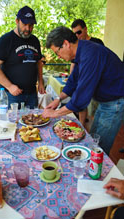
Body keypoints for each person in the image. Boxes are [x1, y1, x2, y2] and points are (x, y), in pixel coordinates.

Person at [42, 26, 124, 156]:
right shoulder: (81, 51)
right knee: (93, 139)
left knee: (99, 147)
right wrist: (59, 99)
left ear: (66, 44)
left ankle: (98, 173)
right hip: (106, 101)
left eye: (57, 52)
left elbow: (80, 99)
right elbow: (73, 80)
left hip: (115, 102)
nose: (58, 56)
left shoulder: (90, 54)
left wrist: (56, 113)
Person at [0, 6, 45, 109]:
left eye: (31, 25)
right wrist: (10, 86)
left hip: (32, 94)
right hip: (12, 96)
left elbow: (38, 62)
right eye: (24, 24)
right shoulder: (6, 40)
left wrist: (41, 82)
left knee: (33, 123)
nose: (28, 29)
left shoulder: (35, 41)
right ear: (17, 21)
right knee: (12, 125)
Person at [70, 19, 104, 127]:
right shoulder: (77, 46)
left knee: (96, 110)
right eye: (74, 33)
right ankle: (82, 124)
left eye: (79, 32)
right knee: (81, 104)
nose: (77, 35)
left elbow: (102, 63)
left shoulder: (97, 42)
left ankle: (94, 128)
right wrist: (72, 80)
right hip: (83, 81)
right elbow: (73, 64)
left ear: (85, 29)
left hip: (97, 84)